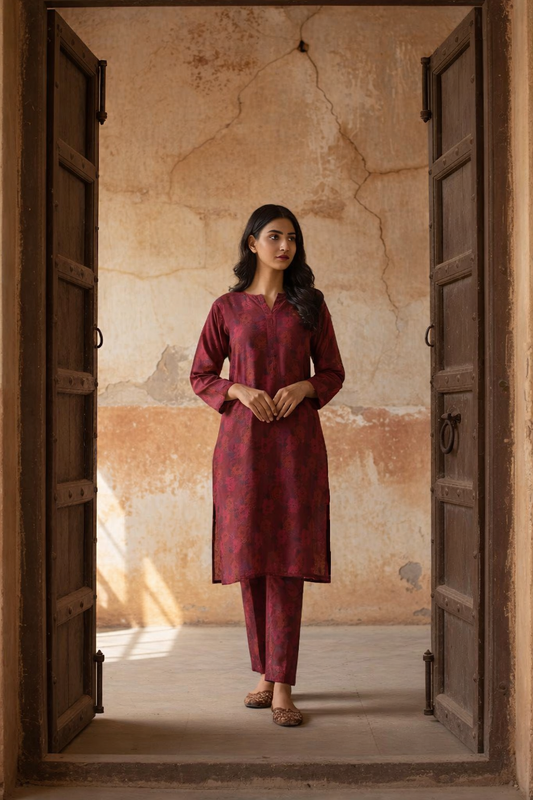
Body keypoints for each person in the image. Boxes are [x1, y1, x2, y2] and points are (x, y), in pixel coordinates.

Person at [190, 204, 345, 727]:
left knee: (288, 559)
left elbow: (331, 372)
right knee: (251, 559)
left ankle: (283, 685)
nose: (285, 246)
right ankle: (263, 671)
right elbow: (202, 374)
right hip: (242, 451)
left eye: (293, 239)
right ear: (252, 243)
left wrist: (304, 387)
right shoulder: (227, 309)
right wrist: (238, 388)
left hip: (296, 448)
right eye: (275, 237)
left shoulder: (311, 307)